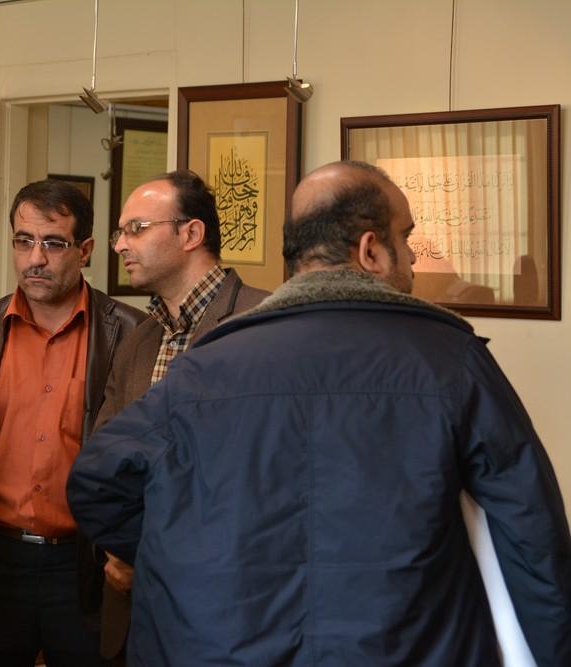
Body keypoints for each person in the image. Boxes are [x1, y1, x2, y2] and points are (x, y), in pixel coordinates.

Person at [68, 161, 571, 666]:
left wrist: (181, 549)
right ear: (370, 250)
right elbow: (531, 534)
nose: (414, 254)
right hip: (407, 644)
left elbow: (96, 480)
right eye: (406, 236)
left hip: (230, 645)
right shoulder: (450, 360)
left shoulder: (206, 366)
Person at [0, 179, 145, 666]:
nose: (35, 259)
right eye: (24, 241)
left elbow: (149, 458)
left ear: (85, 250)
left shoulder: (132, 336)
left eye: (53, 243)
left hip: (86, 565)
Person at [95, 169, 269, 662]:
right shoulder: (138, 339)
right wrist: (124, 548)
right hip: (135, 611)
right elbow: (106, 458)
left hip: (227, 609)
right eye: (119, 232)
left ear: (191, 234)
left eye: (136, 229)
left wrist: (157, 556)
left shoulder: (262, 326)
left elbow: (261, 476)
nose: (120, 245)